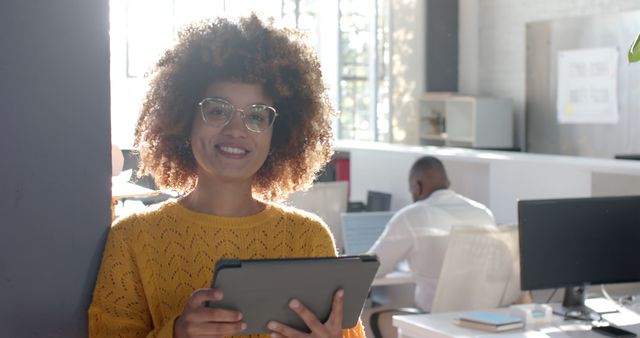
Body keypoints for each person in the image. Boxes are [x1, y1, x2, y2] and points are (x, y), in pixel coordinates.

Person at [89, 14, 365, 338]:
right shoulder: (132, 239)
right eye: (218, 110)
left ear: (280, 132)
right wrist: (176, 334)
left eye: (257, 116)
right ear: (184, 118)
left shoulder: (308, 238)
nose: (236, 130)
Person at [368, 155, 496, 312]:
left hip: (431, 322)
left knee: (366, 319)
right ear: (447, 184)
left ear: (417, 186)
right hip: (482, 321)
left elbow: (371, 268)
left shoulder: (412, 216)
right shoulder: (483, 213)